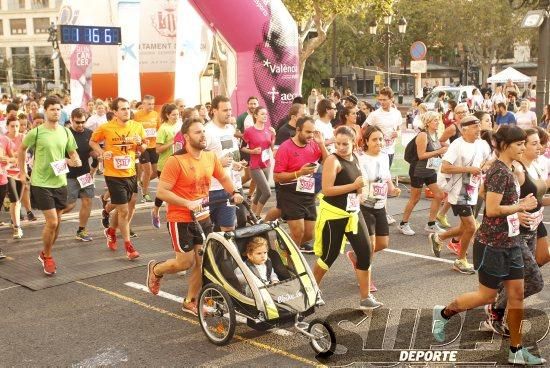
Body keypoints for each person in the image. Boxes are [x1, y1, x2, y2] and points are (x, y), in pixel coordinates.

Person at [432, 125, 546, 366]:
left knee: (517, 295)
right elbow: (492, 210)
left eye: (524, 143)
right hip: (492, 245)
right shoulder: (499, 171)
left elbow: (484, 191)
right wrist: (519, 207)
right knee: (487, 295)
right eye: (519, 144)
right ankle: (443, 313)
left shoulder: (511, 168)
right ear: (504, 145)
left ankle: (516, 349)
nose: (523, 147)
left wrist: (517, 212)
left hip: (512, 242)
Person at [146, 117, 243, 315]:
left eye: (203, 132)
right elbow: (162, 192)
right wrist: (187, 202)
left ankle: (190, 300)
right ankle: (156, 269)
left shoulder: (210, 157)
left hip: (203, 215)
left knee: (202, 261)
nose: (203, 135)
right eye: (198, 132)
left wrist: (234, 193)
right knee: (185, 263)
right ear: (186, 137)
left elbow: (223, 177)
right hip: (180, 217)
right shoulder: (176, 161)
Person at [483, 128, 547, 336]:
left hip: (533, 228)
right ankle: (496, 310)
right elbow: (488, 197)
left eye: (540, 143)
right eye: (533, 143)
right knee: (534, 281)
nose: (540, 147)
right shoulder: (515, 170)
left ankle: (499, 312)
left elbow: (535, 199)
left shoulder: (535, 166)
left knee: (517, 279)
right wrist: (516, 211)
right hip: (516, 232)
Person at [312, 125, 381, 310]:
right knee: (329, 255)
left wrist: (360, 190)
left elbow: (358, 182)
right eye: (338, 143)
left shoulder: (356, 157)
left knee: (365, 252)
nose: (341, 147)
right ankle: (312, 291)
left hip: (353, 212)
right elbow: (327, 190)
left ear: (353, 143)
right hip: (334, 214)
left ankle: (365, 298)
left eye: (345, 144)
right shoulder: (332, 161)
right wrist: (353, 186)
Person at [17, 96, 81, 275]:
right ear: (45, 111)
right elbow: (21, 149)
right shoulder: (36, 132)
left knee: (57, 223)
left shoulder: (66, 132)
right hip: (40, 182)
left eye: (58, 109)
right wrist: (22, 172)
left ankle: (45, 253)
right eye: (52, 109)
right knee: (52, 221)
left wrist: (74, 160)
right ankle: (49, 256)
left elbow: (73, 154)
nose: (56, 112)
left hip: (59, 182)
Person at [429, 115, 491, 274]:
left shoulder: (482, 145)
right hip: (458, 192)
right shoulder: (457, 145)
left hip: (472, 189)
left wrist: (482, 168)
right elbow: (445, 168)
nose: (479, 129)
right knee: (471, 226)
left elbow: (487, 161)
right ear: (464, 129)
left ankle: (439, 237)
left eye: (479, 126)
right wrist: (469, 169)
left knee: (464, 228)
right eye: (475, 127)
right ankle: (460, 260)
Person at [90, 97, 146, 260]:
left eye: (128, 108)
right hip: (113, 175)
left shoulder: (137, 126)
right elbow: (93, 142)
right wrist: (101, 153)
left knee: (124, 207)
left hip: (130, 172)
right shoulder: (106, 128)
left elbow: (143, 148)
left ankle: (111, 230)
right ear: (114, 112)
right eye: (122, 108)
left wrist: (139, 144)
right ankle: (129, 247)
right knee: (123, 210)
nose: (126, 111)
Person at [347, 126, 401, 292]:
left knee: (383, 243)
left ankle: (357, 256)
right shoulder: (360, 158)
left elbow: (386, 178)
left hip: (380, 206)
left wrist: (393, 189)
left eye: (380, 139)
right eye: (375, 139)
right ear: (366, 142)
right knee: (369, 246)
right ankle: (365, 279)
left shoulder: (384, 157)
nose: (379, 142)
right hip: (364, 206)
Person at [273, 116, 328, 252]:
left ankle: (285, 247)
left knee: (309, 234)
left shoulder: (314, 144)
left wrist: (321, 144)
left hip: (308, 193)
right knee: (298, 232)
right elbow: (277, 177)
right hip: (290, 192)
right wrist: (299, 173)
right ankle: (289, 261)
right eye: (308, 132)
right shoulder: (285, 148)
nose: (311, 135)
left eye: (313, 132)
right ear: (298, 130)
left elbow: (327, 163)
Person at [399, 112, 447, 236]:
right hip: (418, 170)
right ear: (428, 123)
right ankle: (403, 224)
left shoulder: (435, 135)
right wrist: (439, 151)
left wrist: (441, 151)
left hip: (430, 170)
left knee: (439, 195)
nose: (438, 122)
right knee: (415, 198)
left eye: (438, 120)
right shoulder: (423, 135)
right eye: (435, 120)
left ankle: (431, 224)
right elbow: (421, 155)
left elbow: (435, 150)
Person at [362, 87, 403, 225]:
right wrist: (372, 141)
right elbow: (363, 128)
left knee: (384, 181)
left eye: (384, 100)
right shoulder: (375, 114)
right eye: (380, 100)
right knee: (376, 182)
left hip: (389, 151)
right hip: (377, 152)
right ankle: (378, 211)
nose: (382, 102)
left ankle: (382, 211)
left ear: (392, 99)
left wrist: (397, 133)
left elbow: (398, 127)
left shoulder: (396, 113)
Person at [204, 95, 240, 232]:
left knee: (229, 230)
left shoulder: (230, 129)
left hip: (227, 188)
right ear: (214, 111)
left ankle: (223, 254)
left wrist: (235, 163)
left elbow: (227, 152)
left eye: (230, 110)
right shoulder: (206, 131)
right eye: (225, 110)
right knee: (207, 232)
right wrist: (218, 163)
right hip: (209, 191)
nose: (229, 113)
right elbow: (197, 161)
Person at [62, 108, 98, 242]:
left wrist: (93, 169)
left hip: (85, 174)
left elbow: (93, 154)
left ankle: (81, 230)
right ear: (71, 120)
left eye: (83, 122)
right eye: (77, 122)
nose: (80, 125)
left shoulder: (90, 133)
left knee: (88, 201)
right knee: (69, 205)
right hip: (69, 176)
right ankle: (53, 218)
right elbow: (58, 156)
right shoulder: (65, 133)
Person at [241, 106, 274, 217]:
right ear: (255, 116)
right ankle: (258, 216)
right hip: (255, 166)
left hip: (266, 164)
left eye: (266, 114)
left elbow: (272, 148)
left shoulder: (269, 130)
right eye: (262, 114)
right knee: (267, 192)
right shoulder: (249, 131)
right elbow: (242, 147)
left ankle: (251, 215)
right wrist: (253, 151)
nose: (265, 116)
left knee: (260, 192)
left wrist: (274, 135)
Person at [151, 103, 179, 228]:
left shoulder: (180, 126)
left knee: (176, 193)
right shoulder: (163, 129)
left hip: (178, 164)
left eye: (178, 114)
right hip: (165, 165)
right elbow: (158, 149)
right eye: (173, 115)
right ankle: (156, 211)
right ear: (167, 115)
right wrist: (172, 141)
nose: (176, 117)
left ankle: (173, 218)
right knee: (163, 193)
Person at [133, 94, 160, 203]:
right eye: (149, 104)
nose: (151, 106)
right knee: (147, 171)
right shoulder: (137, 115)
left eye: (153, 104)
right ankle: (145, 194)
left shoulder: (155, 114)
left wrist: (156, 135)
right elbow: (133, 129)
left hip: (153, 146)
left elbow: (158, 128)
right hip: (142, 146)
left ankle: (143, 183)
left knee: (156, 172)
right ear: (143, 104)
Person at [4, 118, 25, 238]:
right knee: (15, 200)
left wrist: (25, 172)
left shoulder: (23, 137)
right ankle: (17, 228)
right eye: (12, 126)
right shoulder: (3, 139)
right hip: (7, 172)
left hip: (20, 171)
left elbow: (26, 155)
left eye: (17, 126)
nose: (15, 128)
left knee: (17, 202)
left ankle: (14, 221)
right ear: (7, 127)